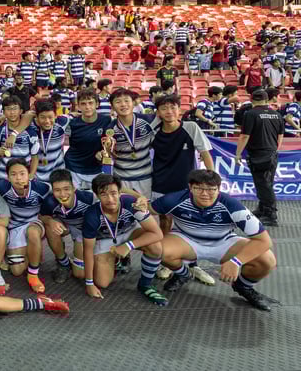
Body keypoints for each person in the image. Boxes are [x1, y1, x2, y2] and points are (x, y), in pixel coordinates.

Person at [154, 170, 278, 311]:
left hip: (223, 242)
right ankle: (183, 274)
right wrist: (137, 201)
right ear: (190, 187)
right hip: (186, 240)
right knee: (157, 249)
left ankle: (243, 286)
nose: (205, 194)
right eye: (199, 188)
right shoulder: (173, 200)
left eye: (211, 189)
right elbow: (144, 209)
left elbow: (264, 240)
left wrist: (236, 262)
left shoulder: (233, 206)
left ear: (219, 189)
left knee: (267, 260)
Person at [150, 93, 216, 284]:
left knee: (190, 224)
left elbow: (205, 154)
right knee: (165, 224)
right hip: (161, 184)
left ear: (180, 110)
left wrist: (212, 181)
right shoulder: (154, 131)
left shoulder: (191, 127)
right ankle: (166, 262)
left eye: (173, 107)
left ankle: (193, 265)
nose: (169, 112)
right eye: (164, 108)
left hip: (187, 186)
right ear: (158, 113)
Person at [82, 174, 169, 306]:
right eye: (104, 194)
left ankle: (145, 285)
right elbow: (87, 250)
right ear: (97, 195)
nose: (110, 199)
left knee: (156, 247)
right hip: (105, 240)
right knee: (102, 283)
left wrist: (128, 245)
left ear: (120, 192)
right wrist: (89, 284)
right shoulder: (91, 215)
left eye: (113, 193)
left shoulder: (131, 203)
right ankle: (115, 259)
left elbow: (157, 233)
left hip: (130, 233)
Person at [0, 158, 51, 293]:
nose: (18, 178)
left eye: (22, 173)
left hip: (34, 222)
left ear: (29, 174)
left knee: (33, 233)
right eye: (13, 174)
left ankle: (33, 275)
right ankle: (34, 252)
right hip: (15, 227)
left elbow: (57, 197)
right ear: (8, 177)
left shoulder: (42, 188)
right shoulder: (2, 187)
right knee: (16, 271)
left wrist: (54, 221)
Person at [235, 89, 284, 226]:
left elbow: (244, 136)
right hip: (272, 153)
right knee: (266, 183)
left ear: (252, 100)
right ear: (267, 100)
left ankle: (270, 214)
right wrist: (274, 150)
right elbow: (280, 136)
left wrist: (238, 154)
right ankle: (263, 209)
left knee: (263, 184)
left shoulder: (250, 114)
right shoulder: (276, 114)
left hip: (258, 153)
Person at [40, 169, 95, 283]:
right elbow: (42, 216)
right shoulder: (50, 202)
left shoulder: (88, 198)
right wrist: (50, 221)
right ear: (53, 191)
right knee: (50, 227)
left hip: (86, 231)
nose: (63, 194)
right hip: (68, 225)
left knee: (79, 274)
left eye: (66, 189)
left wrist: (138, 197)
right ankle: (64, 263)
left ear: (74, 187)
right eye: (57, 190)